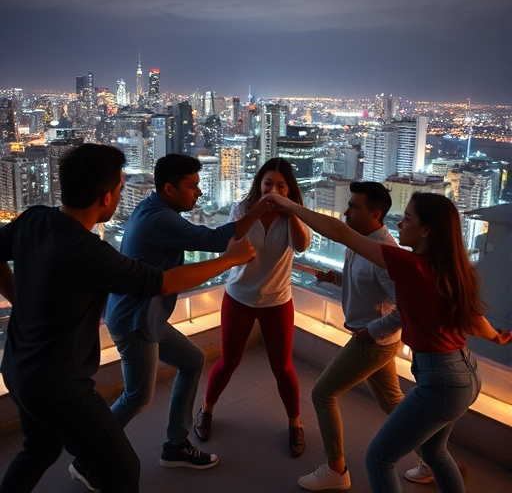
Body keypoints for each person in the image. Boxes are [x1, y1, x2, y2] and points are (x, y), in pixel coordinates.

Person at [0, 144, 255, 493]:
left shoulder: (35, 218)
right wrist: (230, 259)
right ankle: (95, 464)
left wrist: (19, 301)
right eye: (120, 188)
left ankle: (172, 443)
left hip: (17, 367)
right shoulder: (90, 252)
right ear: (106, 197)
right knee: (122, 470)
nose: (121, 195)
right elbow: (161, 282)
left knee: (39, 450)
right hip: (60, 385)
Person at [266, 190, 512, 492]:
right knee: (435, 452)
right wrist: (497, 337)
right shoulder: (451, 270)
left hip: (441, 381)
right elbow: (473, 320)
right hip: (466, 372)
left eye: (407, 219)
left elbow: (341, 233)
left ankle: (336, 470)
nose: (399, 224)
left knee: (379, 459)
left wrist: (288, 204)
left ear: (426, 230)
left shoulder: (411, 265)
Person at [194, 157, 311, 458]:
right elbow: (233, 238)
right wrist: (260, 208)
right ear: (259, 184)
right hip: (239, 297)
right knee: (228, 361)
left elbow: (301, 245)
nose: (273, 189)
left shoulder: (293, 215)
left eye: (281, 185)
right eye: (268, 183)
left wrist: (290, 211)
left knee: (283, 367)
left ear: (289, 189)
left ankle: (295, 424)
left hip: (277, 300)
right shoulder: (242, 210)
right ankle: (206, 410)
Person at [297, 181, 403, 491]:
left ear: (376, 214)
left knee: (322, 394)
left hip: (373, 343)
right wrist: (334, 278)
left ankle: (336, 469)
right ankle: (434, 457)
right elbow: (365, 285)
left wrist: (371, 332)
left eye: (354, 206)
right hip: (378, 341)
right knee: (395, 404)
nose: (346, 211)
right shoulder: (359, 242)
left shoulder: (384, 254)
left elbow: (404, 309)